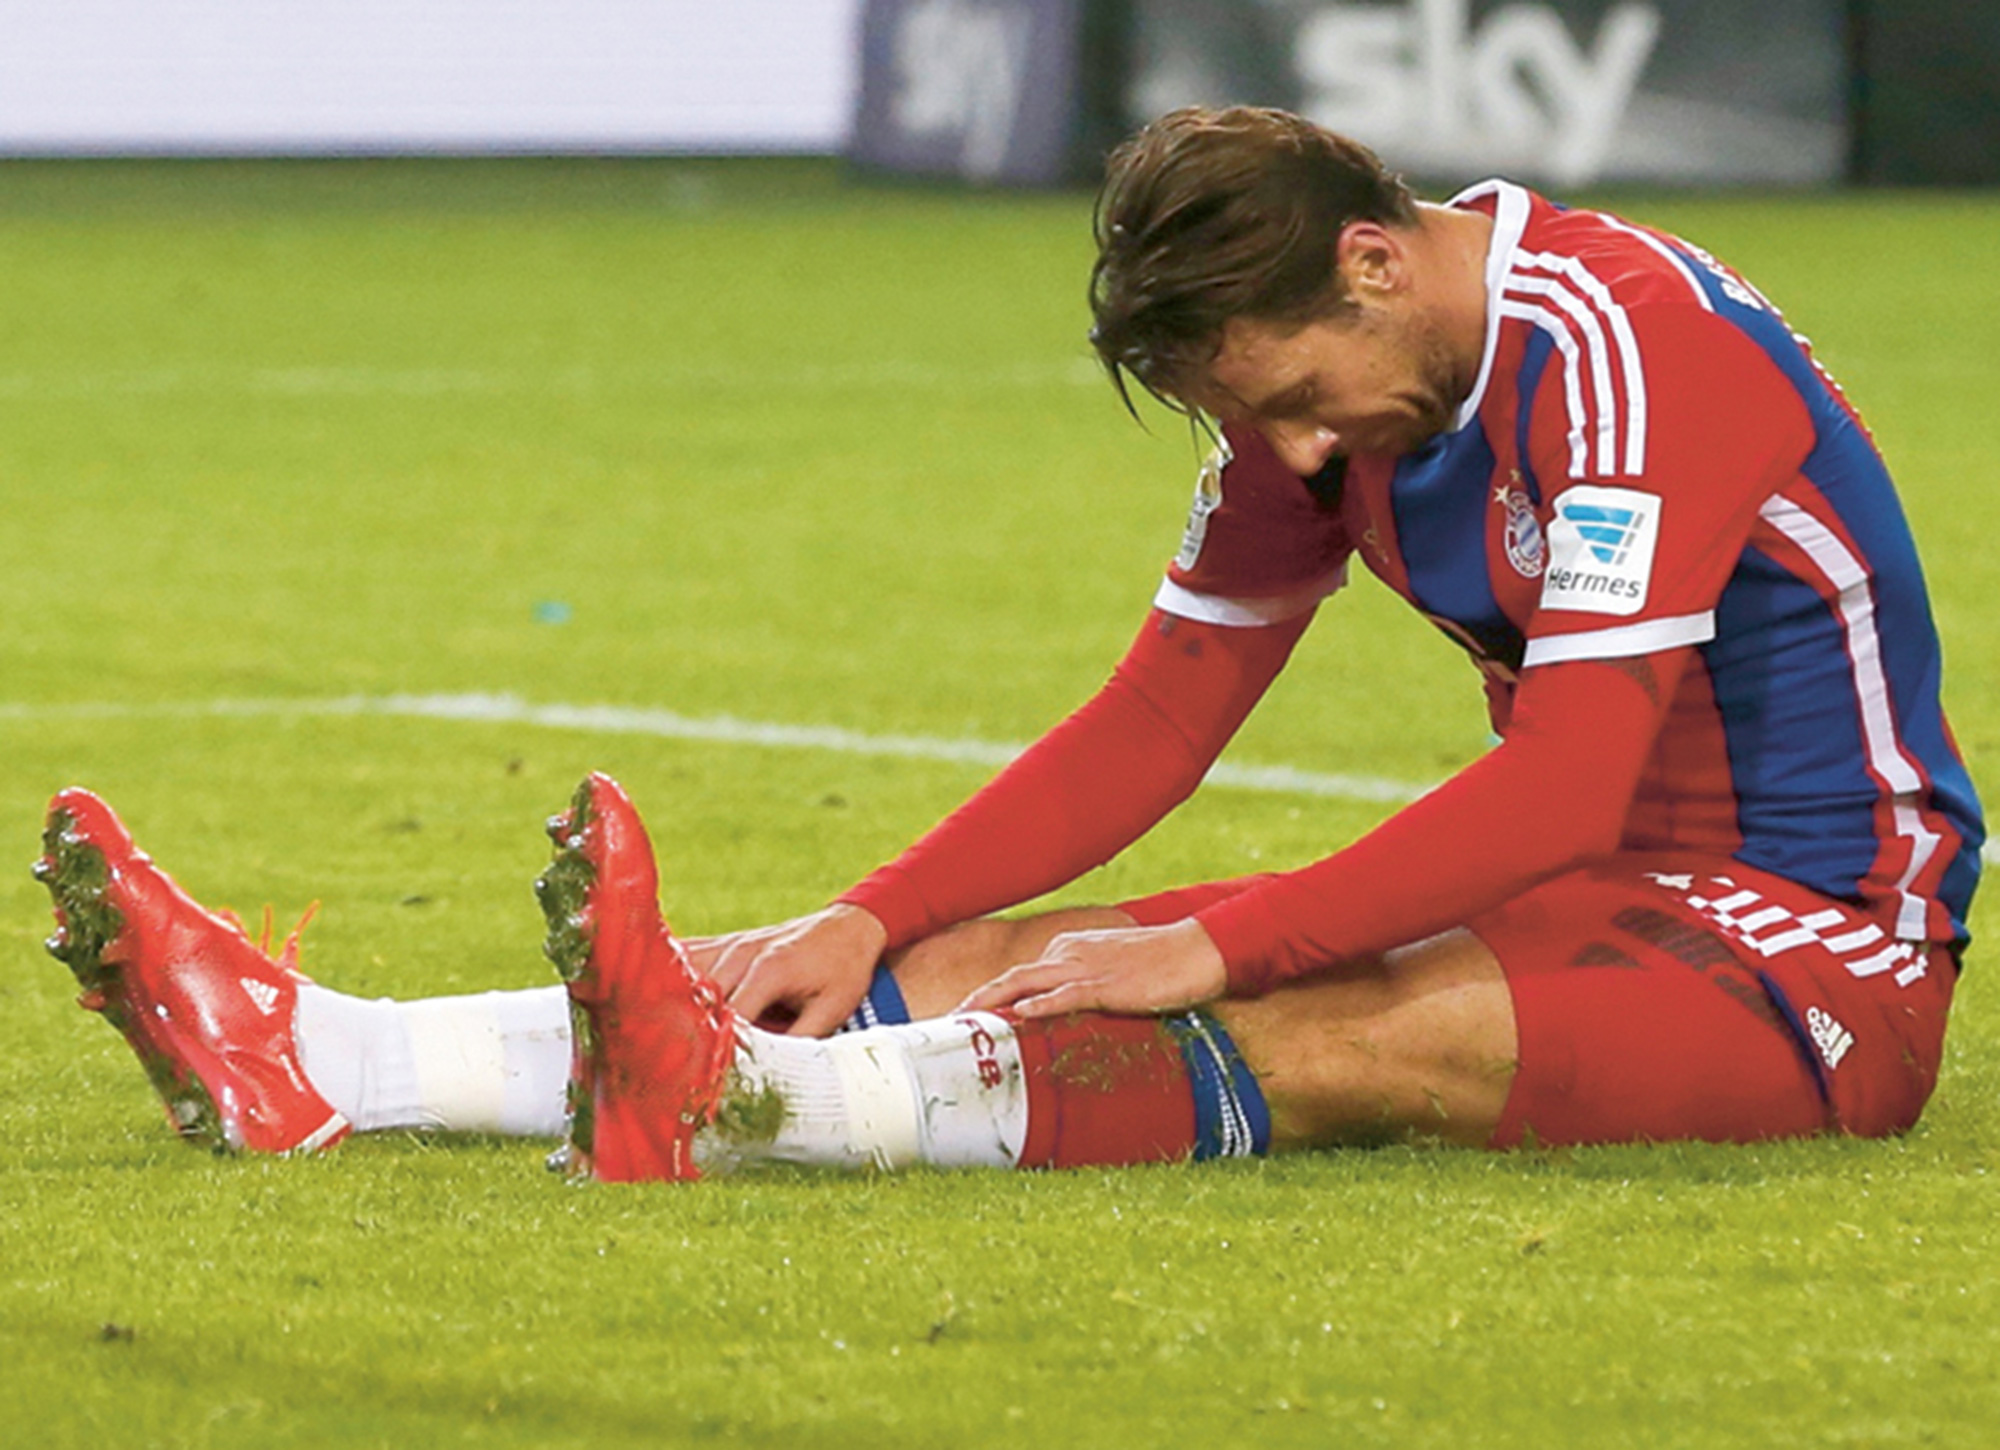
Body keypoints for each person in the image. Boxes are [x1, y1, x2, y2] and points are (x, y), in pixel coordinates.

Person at [38, 107, 1981, 1181]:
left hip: (1810, 943)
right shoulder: (1315, 393)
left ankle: (728, 1112)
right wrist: (873, 912)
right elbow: (1161, 708)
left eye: (1295, 397)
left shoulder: (1631, 348)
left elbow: (1562, 772)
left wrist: (1212, 935)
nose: (1291, 455)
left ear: (1372, 262)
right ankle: (323, 1052)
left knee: (1313, 1021)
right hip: (1580, 894)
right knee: (997, 962)